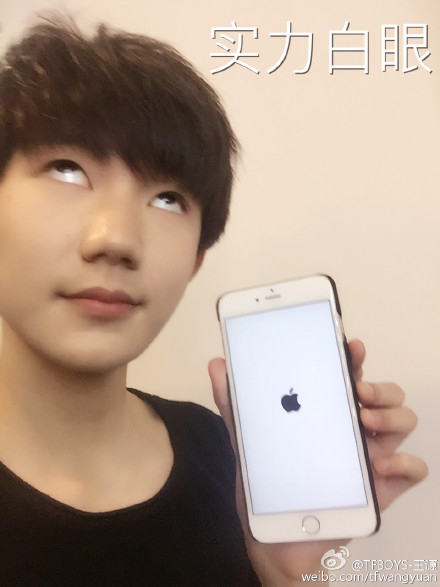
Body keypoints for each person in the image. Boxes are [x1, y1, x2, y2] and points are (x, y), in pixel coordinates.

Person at [0, 16, 428, 586]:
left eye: (168, 199)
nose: (117, 239)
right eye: (68, 170)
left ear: (195, 260)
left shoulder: (224, 463)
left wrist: (290, 575)